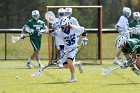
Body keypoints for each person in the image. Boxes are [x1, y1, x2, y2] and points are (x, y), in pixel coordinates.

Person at [57, 17, 88, 82]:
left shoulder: (73, 28)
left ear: (67, 24)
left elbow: (83, 30)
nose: (62, 28)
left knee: (69, 60)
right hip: (67, 49)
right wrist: (62, 51)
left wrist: (84, 38)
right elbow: (60, 43)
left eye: (63, 26)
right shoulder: (60, 32)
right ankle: (78, 64)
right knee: (66, 66)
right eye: (61, 27)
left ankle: (73, 78)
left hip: (73, 48)